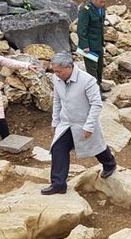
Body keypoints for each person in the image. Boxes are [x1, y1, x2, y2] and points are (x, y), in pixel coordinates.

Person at [41, 53, 117, 195]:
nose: (56, 74)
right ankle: (58, 184)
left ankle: (110, 164)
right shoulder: (56, 79)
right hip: (66, 122)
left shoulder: (87, 80)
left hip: (84, 122)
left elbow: (96, 104)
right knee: (58, 148)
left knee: (96, 147)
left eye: (59, 71)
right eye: (54, 71)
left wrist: (89, 126)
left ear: (69, 67)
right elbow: (57, 101)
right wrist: (55, 121)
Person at [77, 0, 107, 94]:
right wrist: (85, 45)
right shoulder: (86, 11)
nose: (103, 4)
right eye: (101, 2)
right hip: (88, 46)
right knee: (92, 69)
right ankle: (95, 92)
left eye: (104, 2)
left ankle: (99, 85)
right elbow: (81, 29)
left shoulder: (101, 9)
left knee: (99, 67)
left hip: (98, 43)